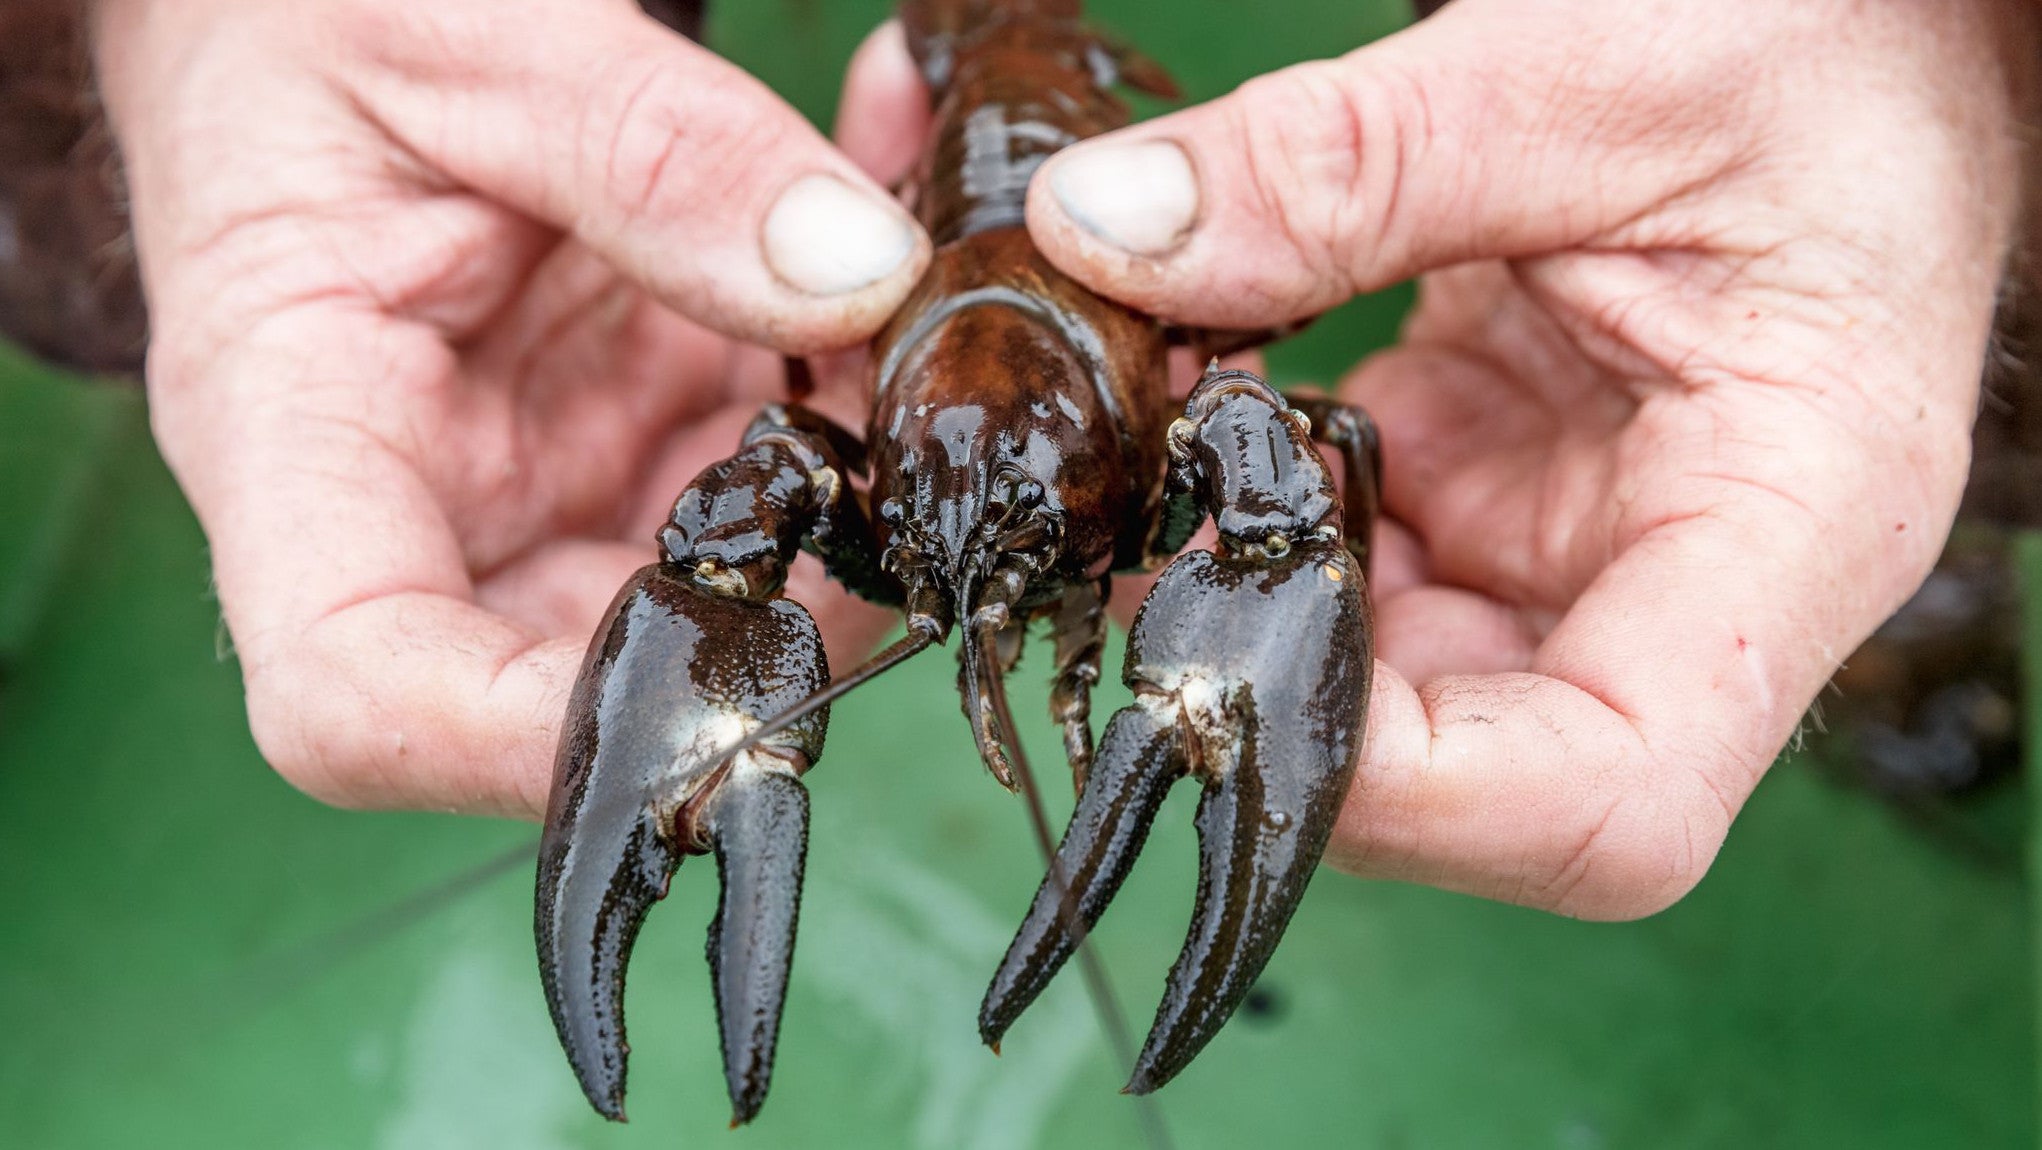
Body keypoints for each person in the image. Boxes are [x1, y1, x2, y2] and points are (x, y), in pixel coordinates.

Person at [83, 0, 2034, 921]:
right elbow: (784, 456)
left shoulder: (1210, 425)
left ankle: (1928, 575)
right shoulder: (828, 457)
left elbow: (1297, 433)